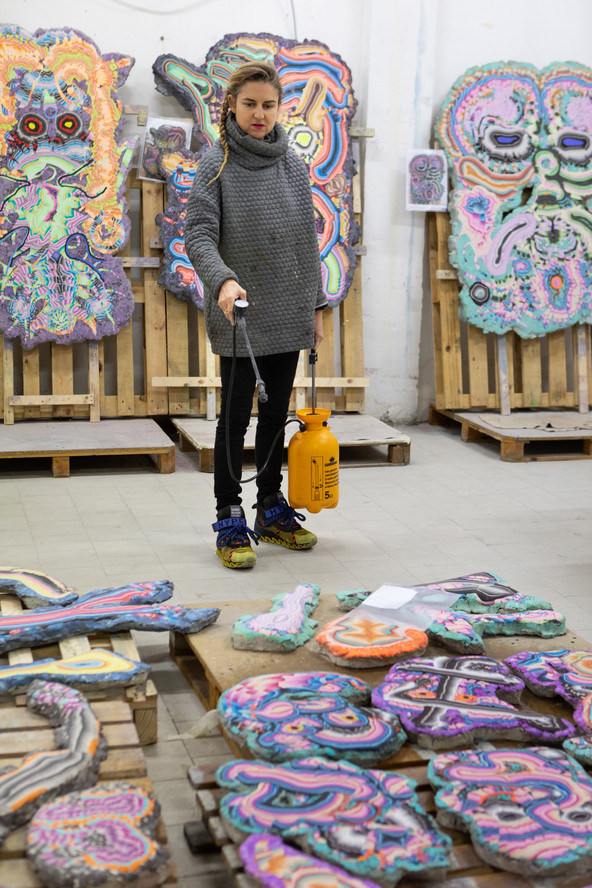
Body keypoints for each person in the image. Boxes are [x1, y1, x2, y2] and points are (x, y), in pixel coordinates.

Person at [184, 61, 327, 569]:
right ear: (232, 105)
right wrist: (222, 279)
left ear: (279, 107)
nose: (259, 114)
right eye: (250, 104)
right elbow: (198, 233)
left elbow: (306, 242)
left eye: (268, 105)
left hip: (288, 308)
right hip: (239, 312)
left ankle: (270, 507)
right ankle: (228, 514)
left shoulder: (292, 163)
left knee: (276, 412)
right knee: (234, 417)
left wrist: (316, 307)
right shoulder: (216, 163)